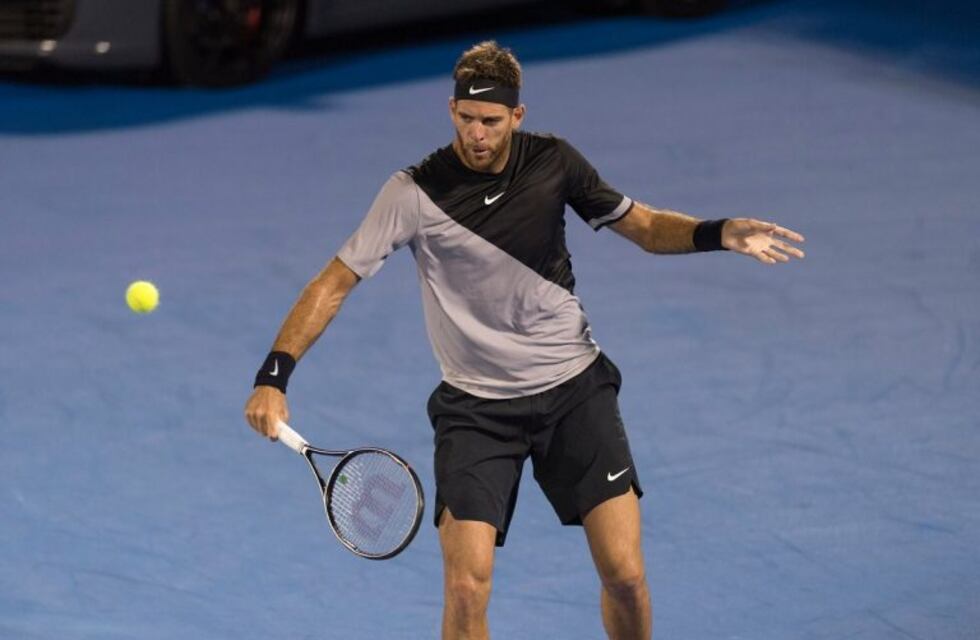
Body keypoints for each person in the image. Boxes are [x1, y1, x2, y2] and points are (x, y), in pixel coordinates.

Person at [244, 40, 804, 640]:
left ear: (517, 115)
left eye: (490, 120)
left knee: (624, 574)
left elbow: (641, 225)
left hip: (574, 393)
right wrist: (274, 375)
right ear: (450, 109)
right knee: (465, 586)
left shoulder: (555, 162)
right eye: (465, 117)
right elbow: (334, 282)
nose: (476, 134)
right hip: (476, 411)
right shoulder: (413, 192)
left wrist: (718, 233)